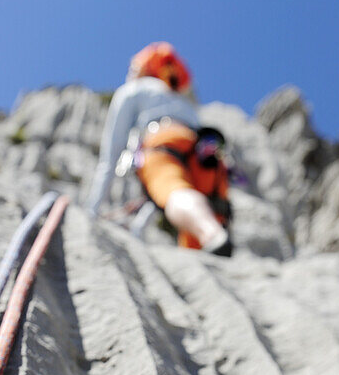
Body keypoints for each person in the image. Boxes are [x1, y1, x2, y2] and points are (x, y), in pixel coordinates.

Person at [87, 43, 232, 256]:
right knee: (194, 213)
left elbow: (110, 156)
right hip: (204, 155)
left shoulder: (135, 90)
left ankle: (212, 234)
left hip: (162, 142)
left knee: (175, 192)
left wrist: (92, 211)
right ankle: (210, 245)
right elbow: (155, 200)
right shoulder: (182, 101)